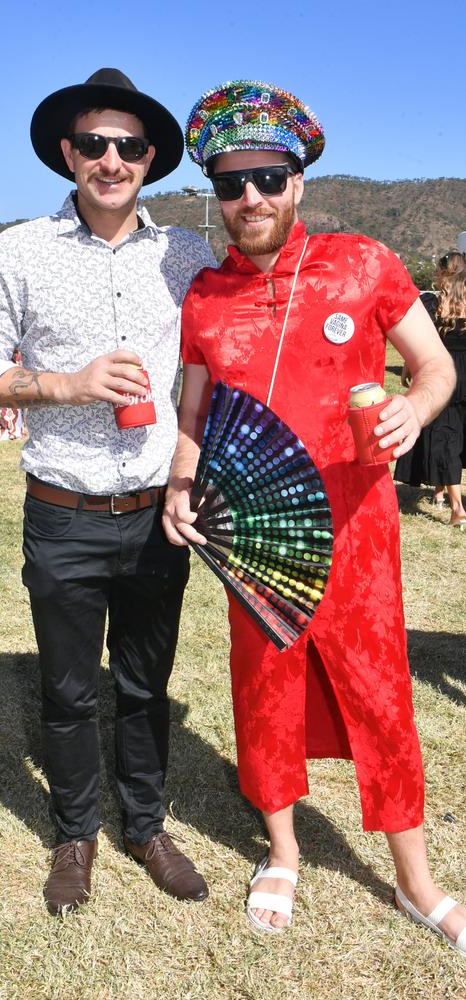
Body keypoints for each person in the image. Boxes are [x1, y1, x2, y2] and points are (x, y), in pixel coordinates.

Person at [163, 79, 465, 954]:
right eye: (230, 183)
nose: (249, 198)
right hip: (254, 536)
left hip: (360, 530)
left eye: (266, 177)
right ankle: (284, 851)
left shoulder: (364, 262)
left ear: (298, 181)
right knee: (264, 695)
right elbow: (192, 414)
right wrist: (184, 481)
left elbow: (436, 366)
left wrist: (418, 408)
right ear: (214, 196)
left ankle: (416, 879)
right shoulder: (206, 299)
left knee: (380, 696)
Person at [0, 68, 216, 915]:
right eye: (95, 144)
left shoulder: (186, 254)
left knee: (145, 682)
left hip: (155, 514)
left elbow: (214, 365)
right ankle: (77, 833)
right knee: (67, 691)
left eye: (129, 146)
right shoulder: (18, 252)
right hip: (63, 512)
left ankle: (145, 824)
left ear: (149, 160)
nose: (111, 159)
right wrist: (65, 384)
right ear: (69, 153)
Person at [394, 251, 466, 529]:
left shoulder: (431, 303)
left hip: (443, 376)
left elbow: (420, 343)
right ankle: (439, 493)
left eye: (438, 270)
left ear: (443, 273)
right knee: (450, 435)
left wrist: (408, 370)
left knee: (444, 437)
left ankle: (458, 507)